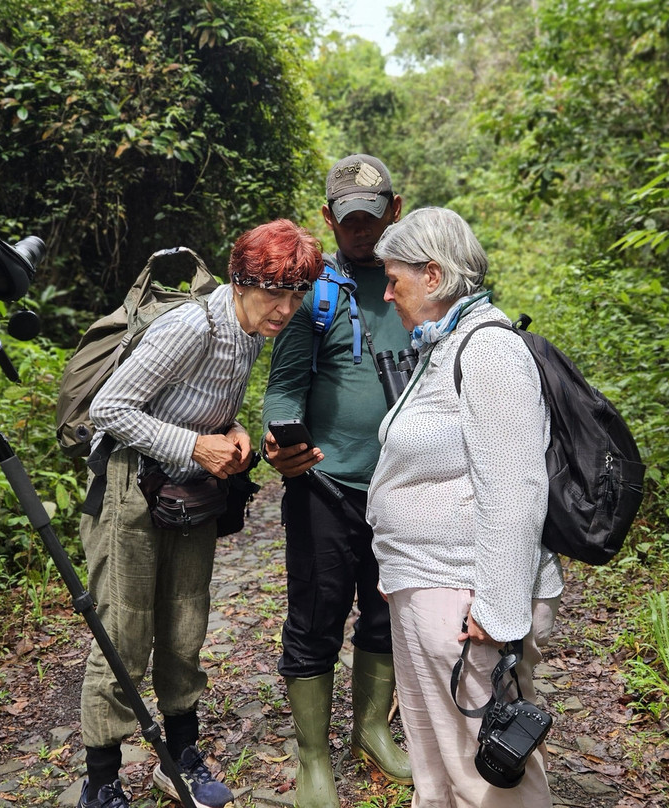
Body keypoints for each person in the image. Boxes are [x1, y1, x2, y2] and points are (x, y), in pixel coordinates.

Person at [76, 220, 323, 808]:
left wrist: (231, 430)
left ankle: (181, 758)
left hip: (188, 491)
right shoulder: (191, 326)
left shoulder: (252, 331)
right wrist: (194, 445)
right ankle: (101, 781)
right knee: (124, 632)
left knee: (186, 624)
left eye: (297, 295)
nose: (286, 309)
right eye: (274, 293)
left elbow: (199, 402)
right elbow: (110, 408)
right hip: (130, 483)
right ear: (239, 281)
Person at [365, 206, 564, 807]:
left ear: (432, 275)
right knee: (437, 759)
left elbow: (516, 490)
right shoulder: (444, 344)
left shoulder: (489, 351)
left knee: (487, 770)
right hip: (428, 580)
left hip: (464, 593)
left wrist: (499, 610)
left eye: (394, 279)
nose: (387, 293)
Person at [261, 154, 411, 808]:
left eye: (371, 217)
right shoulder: (313, 291)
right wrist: (277, 439)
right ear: (328, 218)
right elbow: (283, 387)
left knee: (387, 612)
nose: (360, 230)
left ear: (394, 210)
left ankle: (372, 729)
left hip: (403, 491)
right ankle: (313, 758)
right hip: (324, 488)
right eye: (348, 219)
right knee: (315, 618)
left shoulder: (419, 282)